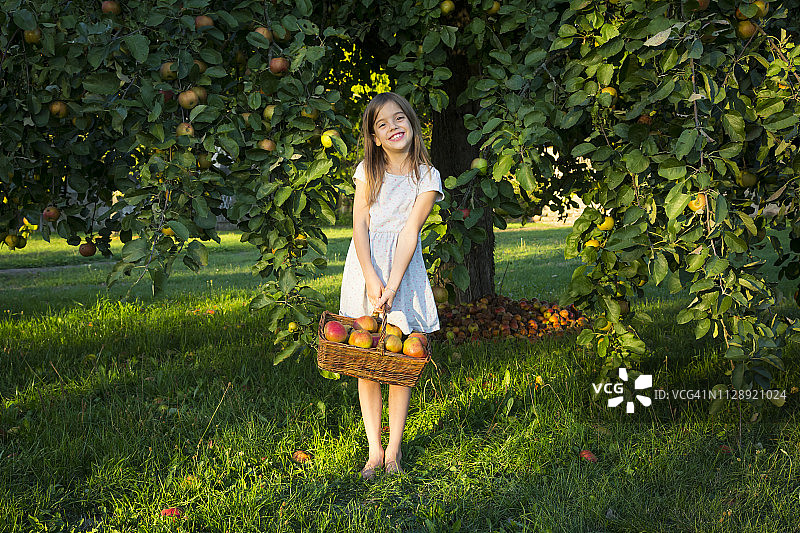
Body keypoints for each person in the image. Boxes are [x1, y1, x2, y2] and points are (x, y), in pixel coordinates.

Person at [338, 92, 444, 479]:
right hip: (365, 264)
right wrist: (369, 275)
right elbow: (360, 225)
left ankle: (395, 450)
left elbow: (410, 232)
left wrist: (393, 284)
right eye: (382, 124)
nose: (393, 127)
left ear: (413, 124)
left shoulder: (427, 177)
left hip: (403, 269)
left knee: (400, 361)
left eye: (399, 119)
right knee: (367, 359)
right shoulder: (368, 170)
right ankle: (374, 451)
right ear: (375, 137)